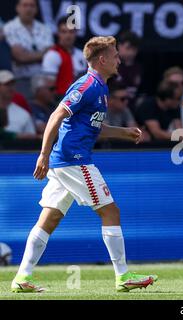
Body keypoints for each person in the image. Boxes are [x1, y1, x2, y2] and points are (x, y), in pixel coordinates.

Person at [10, 36, 157, 293]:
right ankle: (123, 276)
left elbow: (92, 127)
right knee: (111, 211)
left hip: (65, 161)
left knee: (49, 218)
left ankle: (22, 277)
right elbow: (57, 114)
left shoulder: (100, 87)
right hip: (73, 160)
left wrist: (123, 133)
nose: (119, 60)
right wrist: (43, 154)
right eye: (114, 56)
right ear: (102, 60)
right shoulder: (87, 85)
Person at [3, 0, 54, 100]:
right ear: (18, 8)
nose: (28, 9)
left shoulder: (45, 29)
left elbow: (51, 54)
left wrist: (28, 55)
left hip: (43, 81)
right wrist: (43, 53)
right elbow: (20, 57)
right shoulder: (9, 28)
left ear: (36, 9)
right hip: (21, 80)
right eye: (25, 5)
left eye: (32, 6)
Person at [42, 16, 87, 99]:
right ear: (58, 33)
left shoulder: (81, 54)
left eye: (71, 32)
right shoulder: (52, 55)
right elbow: (49, 88)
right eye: (64, 32)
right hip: (60, 101)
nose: (68, 36)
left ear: (76, 33)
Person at [0, 70, 36, 137]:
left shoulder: (24, 114)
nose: (11, 88)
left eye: (12, 84)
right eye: (6, 84)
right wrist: (15, 136)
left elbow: (31, 138)